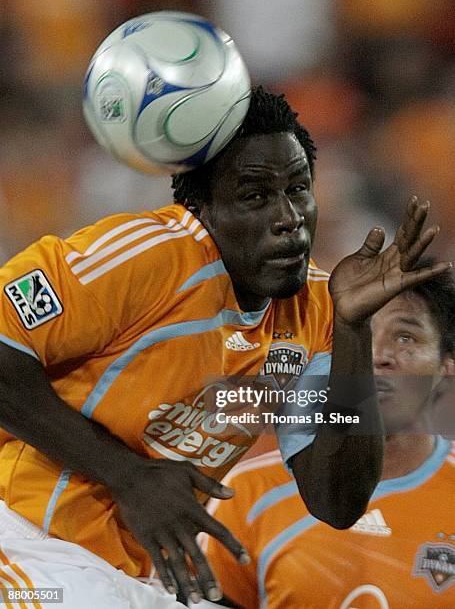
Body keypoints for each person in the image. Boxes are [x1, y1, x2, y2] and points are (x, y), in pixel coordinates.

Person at [0, 86, 450, 608]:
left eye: (299, 189)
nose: (289, 216)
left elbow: (336, 498)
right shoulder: (146, 258)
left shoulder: (319, 309)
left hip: (132, 574)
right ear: (203, 209)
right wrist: (127, 475)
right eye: (255, 196)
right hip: (26, 539)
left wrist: (352, 330)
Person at [205, 259, 455, 608]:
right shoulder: (247, 494)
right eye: (361, 333)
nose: (377, 356)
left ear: (446, 369)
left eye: (404, 336)